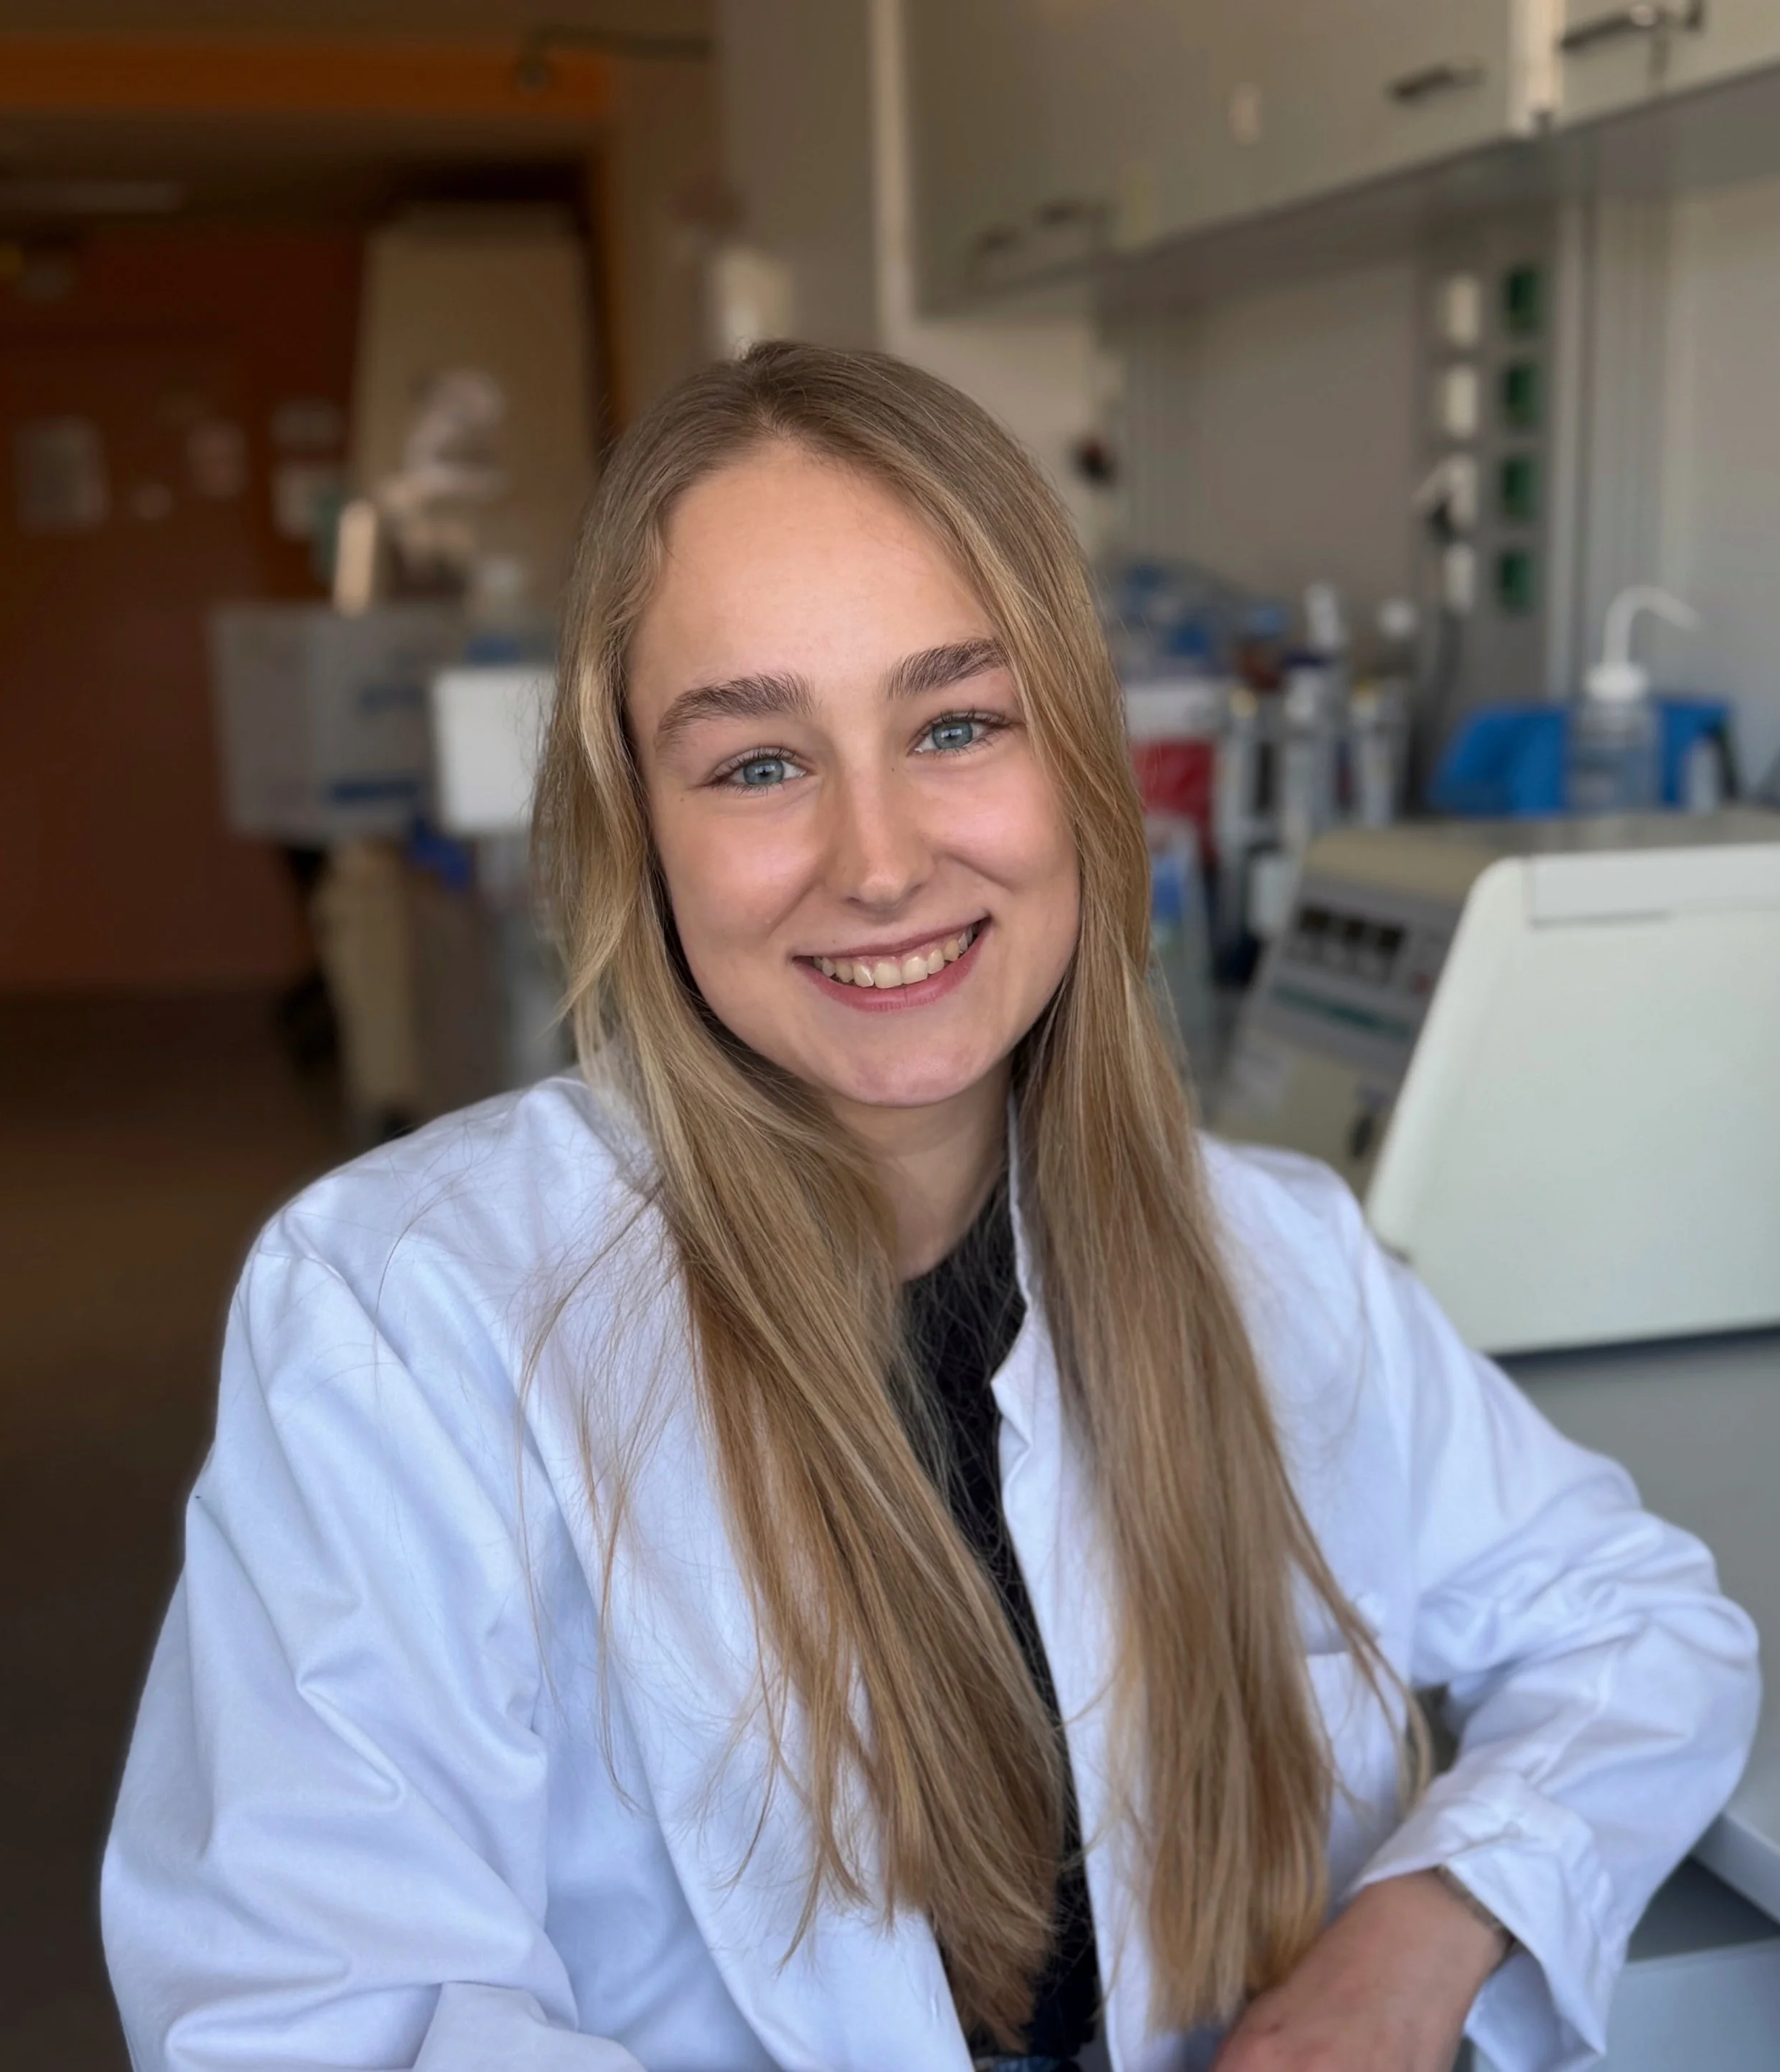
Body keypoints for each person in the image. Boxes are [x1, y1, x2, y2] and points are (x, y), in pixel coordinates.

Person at [103, 344, 1758, 2072]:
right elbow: (310, 2023)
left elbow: (1639, 1624)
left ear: (1083, 768)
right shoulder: (410, 1316)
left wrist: (1419, 1935)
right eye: (757, 763)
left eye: (956, 725)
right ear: (633, 828)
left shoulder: (1271, 1256)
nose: (879, 859)